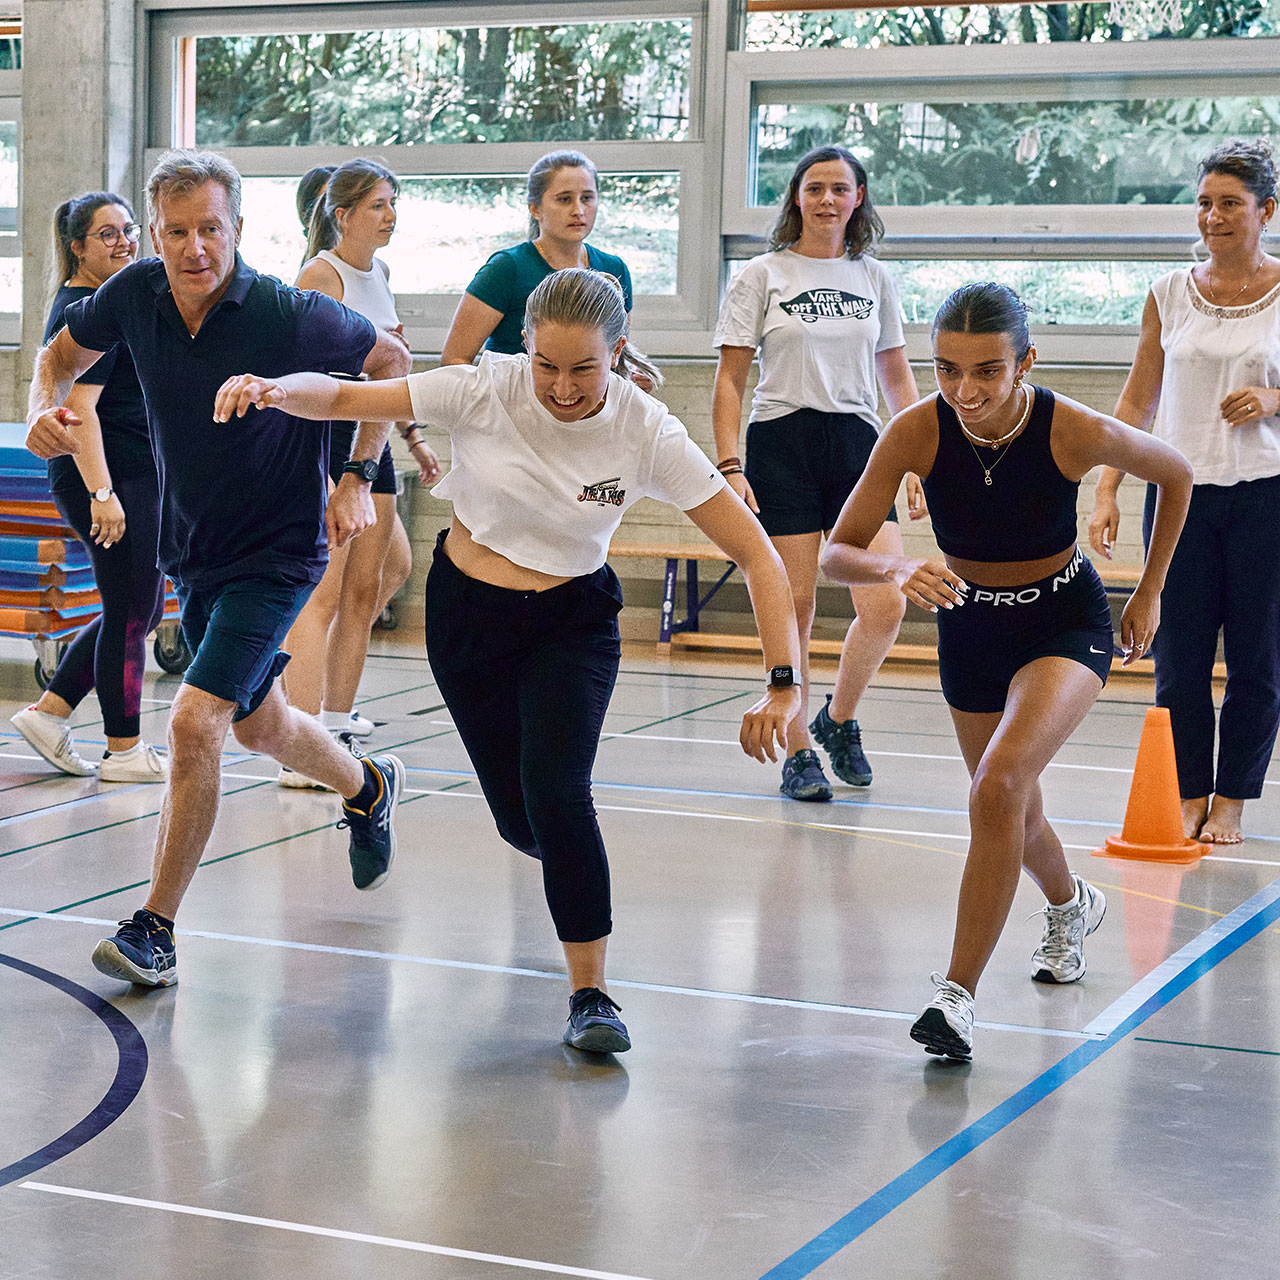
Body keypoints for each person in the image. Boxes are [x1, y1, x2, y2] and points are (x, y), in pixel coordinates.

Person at [214, 267, 803, 1053]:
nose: (562, 387)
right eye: (546, 365)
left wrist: (783, 684)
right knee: (522, 820)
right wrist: (275, 388)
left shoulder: (647, 428)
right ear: (523, 350)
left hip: (571, 623)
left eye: (584, 368)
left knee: (560, 797)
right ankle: (411, 795)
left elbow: (759, 557)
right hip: (467, 620)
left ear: (618, 352)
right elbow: (351, 397)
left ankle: (591, 995)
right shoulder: (483, 388)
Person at [25, 149, 409, 989]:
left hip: (277, 555)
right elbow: (59, 359)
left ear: (237, 229)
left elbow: (389, 365)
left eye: (211, 229)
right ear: (154, 236)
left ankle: (153, 928)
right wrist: (42, 415)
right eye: (175, 233)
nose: (194, 248)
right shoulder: (132, 294)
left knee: (195, 724)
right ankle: (369, 786)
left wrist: (355, 477)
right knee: (258, 726)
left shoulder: (287, 312)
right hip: (192, 553)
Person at [821, 282, 1193, 1061]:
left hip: (1064, 618)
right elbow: (837, 549)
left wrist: (1149, 592)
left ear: (1026, 361)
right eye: (948, 370)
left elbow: (1176, 472)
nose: (966, 390)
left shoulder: (1071, 429)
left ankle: (954, 998)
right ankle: (1071, 905)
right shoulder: (915, 432)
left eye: (987, 371)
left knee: (995, 787)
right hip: (970, 626)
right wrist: (893, 572)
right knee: (1012, 810)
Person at [712, 144, 923, 803]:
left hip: (859, 445)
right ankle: (798, 747)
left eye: (840, 188)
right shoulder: (762, 274)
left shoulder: (874, 279)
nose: (828, 199)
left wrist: (919, 456)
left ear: (858, 198)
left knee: (885, 598)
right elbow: (730, 380)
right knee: (795, 604)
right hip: (783, 442)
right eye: (815, 188)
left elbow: (894, 374)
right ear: (796, 199)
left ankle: (839, 716)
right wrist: (729, 464)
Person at [1090, 139, 1280, 846]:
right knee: (1179, 658)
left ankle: (1231, 800)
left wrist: (1273, 397)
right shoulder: (1169, 293)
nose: (1214, 217)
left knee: (1257, 660)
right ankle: (1188, 793)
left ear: (1266, 210)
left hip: (1266, 497)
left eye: (1230, 204)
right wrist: (1108, 485)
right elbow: (1140, 398)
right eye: (1204, 203)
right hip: (1179, 500)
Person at [277, 160, 439, 786]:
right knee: (324, 590)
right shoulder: (320, 275)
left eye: (393, 203)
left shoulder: (383, 272)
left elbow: (391, 370)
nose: (391, 215)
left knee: (370, 586)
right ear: (341, 215)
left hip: (376, 436)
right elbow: (307, 371)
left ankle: (335, 722)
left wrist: (414, 436)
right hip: (328, 439)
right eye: (377, 204)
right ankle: (302, 739)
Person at [11, 192, 167, 783]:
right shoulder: (87, 308)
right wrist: (104, 494)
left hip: (127, 473)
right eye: (107, 234)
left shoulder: (109, 299)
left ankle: (49, 715)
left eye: (128, 229)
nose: (124, 241)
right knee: (130, 611)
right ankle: (123, 750)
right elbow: (81, 408)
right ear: (77, 247)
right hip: (104, 475)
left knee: (140, 607)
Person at [441, 149, 635, 366]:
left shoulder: (614, 268)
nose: (578, 210)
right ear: (535, 208)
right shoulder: (506, 269)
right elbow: (454, 360)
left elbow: (616, 356)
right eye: (564, 199)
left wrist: (631, 379)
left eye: (587, 198)